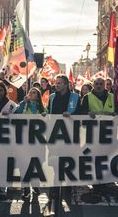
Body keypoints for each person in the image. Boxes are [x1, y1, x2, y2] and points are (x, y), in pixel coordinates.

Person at [45, 74, 80, 216]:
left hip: (70, 134)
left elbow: (81, 113)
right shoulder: (52, 97)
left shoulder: (75, 98)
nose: (57, 85)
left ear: (66, 84)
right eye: (56, 82)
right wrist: (44, 114)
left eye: (60, 83)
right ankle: (54, 184)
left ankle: (67, 186)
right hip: (55, 132)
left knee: (68, 160)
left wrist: (72, 115)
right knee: (54, 160)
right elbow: (49, 111)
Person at [14, 87, 44, 200]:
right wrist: (23, 103)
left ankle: (35, 186)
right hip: (24, 139)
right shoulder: (24, 104)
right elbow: (17, 112)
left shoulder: (41, 106)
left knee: (35, 164)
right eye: (30, 92)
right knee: (24, 164)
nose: (31, 94)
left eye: (34, 92)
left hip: (37, 140)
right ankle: (26, 189)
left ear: (38, 95)